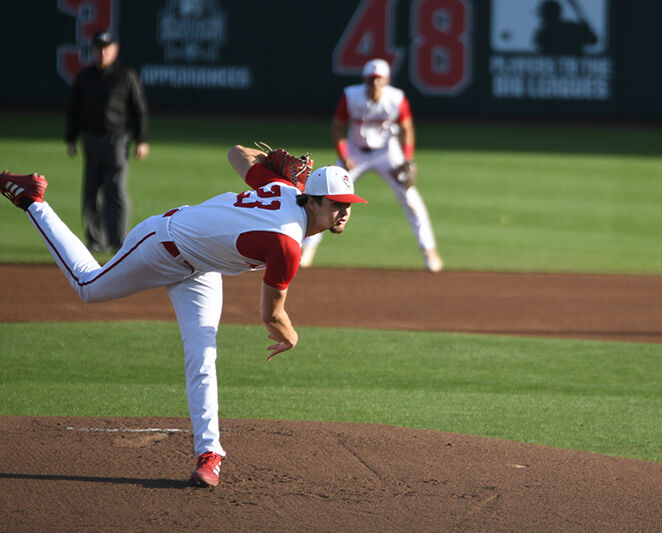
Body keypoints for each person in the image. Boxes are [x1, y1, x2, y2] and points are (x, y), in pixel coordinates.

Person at [1, 147, 366, 487]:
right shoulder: (287, 241)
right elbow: (271, 314)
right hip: (163, 244)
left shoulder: (283, 187)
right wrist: (291, 335)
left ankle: (209, 455)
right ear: (313, 200)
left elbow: (237, 154)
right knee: (88, 285)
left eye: (348, 203)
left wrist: (266, 159)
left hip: (202, 268)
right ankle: (32, 200)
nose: (345, 211)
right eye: (337, 203)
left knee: (203, 356)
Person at [300, 58, 442, 272]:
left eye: (379, 80)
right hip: (356, 152)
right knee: (328, 195)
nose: (375, 84)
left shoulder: (396, 99)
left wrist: (407, 160)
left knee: (411, 199)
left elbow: (407, 129)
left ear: (386, 81)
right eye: (371, 79)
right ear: (364, 80)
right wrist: (343, 153)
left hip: (387, 153)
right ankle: (307, 248)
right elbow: (337, 129)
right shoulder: (351, 96)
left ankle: (429, 251)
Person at [65, 30, 150, 254]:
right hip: (90, 140)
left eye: (106, 48)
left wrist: (141, 140)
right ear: (92, 51)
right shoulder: (84, 77)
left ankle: (118, 240)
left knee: (116, 190)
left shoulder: (125, 76)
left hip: (117, 140)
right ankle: (95, 240)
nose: (102, 52)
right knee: (91, 193)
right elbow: (74, 110)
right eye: (98, 49)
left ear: (114, 50)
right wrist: (71, 138)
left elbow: (139, 110)